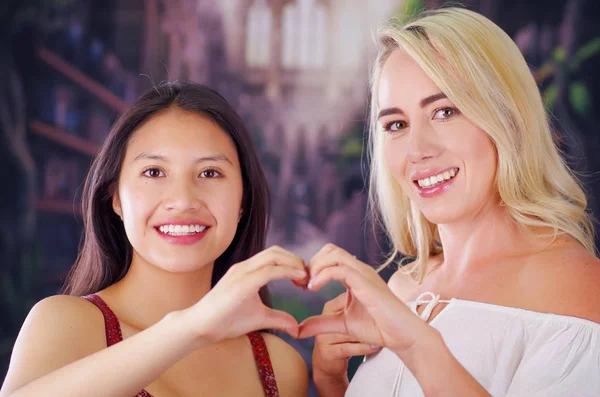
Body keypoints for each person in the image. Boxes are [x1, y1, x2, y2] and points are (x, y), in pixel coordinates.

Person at [301, 7, 600, 397]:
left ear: (507, 118)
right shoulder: (403, 287)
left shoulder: (577, 286)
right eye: (396, 124)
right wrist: (331, 383)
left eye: (445, 112)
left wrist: (417, 344)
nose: (417, 150)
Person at [1, 82, 309, 397]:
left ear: (243, 201)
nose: (183, 200)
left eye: (209, 173)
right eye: (154, 172)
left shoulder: (281, 367)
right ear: (116, 198)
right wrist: (190, 328)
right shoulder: (64, 325)